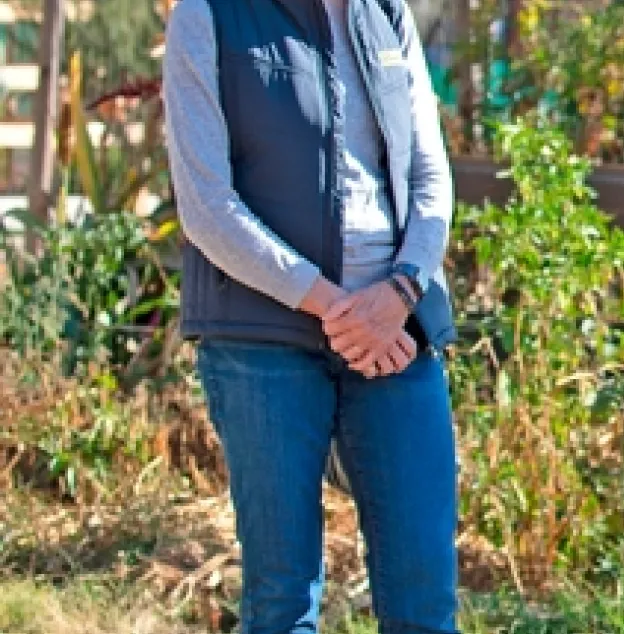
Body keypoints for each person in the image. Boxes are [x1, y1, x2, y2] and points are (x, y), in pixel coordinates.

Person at [163, 0, 460, 630]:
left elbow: (430, 174)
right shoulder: (210, 14)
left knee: (426, 599)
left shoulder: (387, 14)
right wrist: (334, 307)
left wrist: (401, 291)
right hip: (264, 338)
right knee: (282, 599)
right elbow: (206, 204)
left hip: (396, 330)